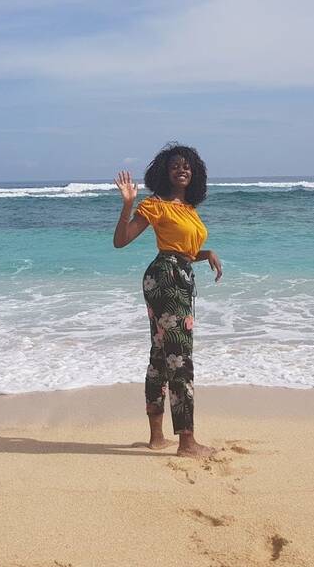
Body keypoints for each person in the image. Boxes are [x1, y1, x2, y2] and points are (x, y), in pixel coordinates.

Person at [113, 142, 223, 458]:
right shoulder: (156, 205)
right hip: (165, 278)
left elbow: (184, 251)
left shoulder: (189, 210)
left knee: (162, 355)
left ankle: (157, 438)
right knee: (179, 356)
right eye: (175, 165)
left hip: (181, 276)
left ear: (195, 172)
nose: (182, 169)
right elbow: (121, 241)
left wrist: (206, 254)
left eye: (187, 165)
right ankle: (187, 443)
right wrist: (127, 205)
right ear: (165, 172)